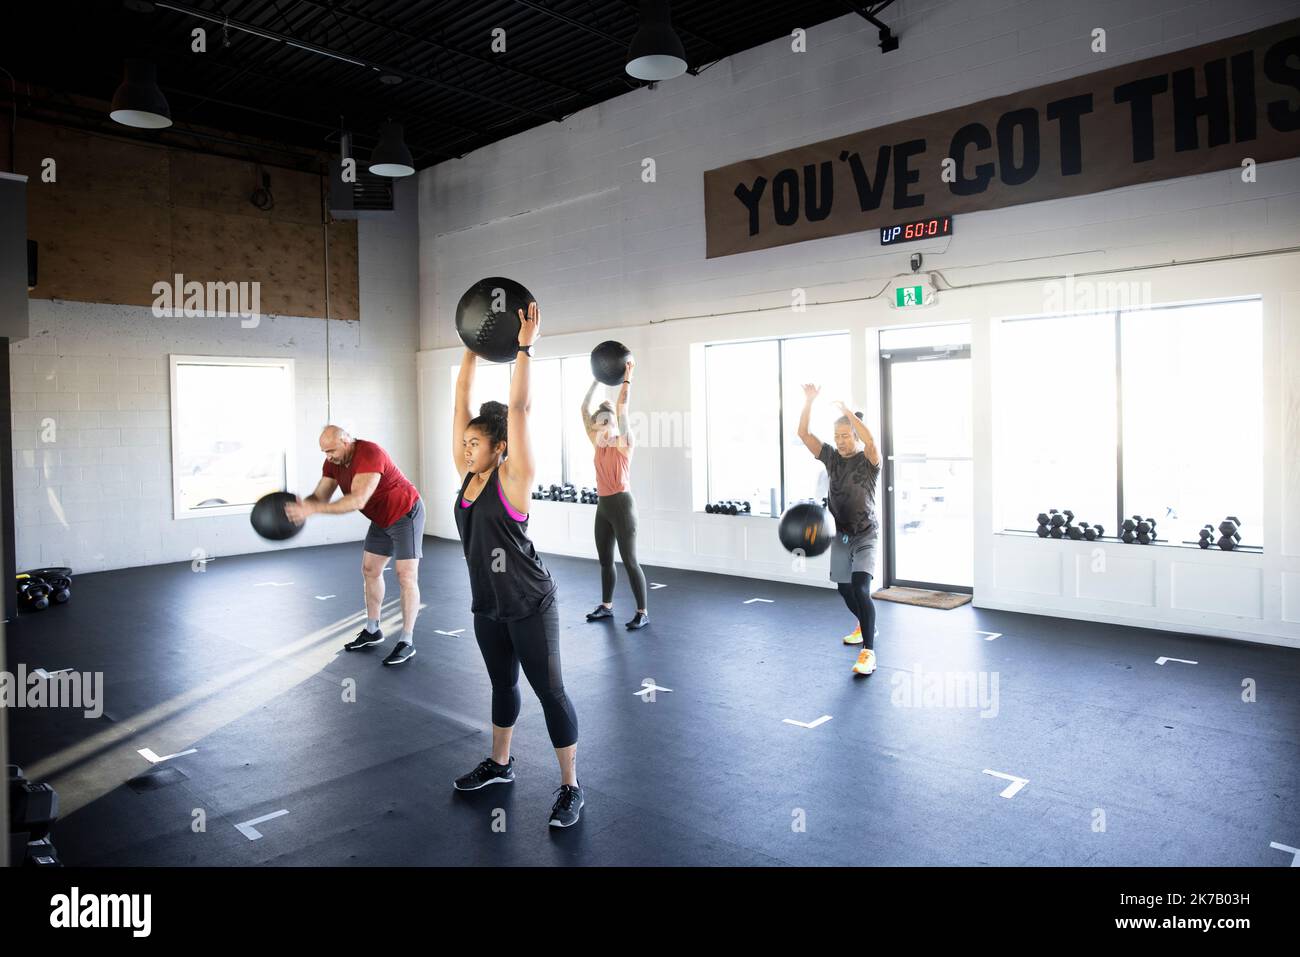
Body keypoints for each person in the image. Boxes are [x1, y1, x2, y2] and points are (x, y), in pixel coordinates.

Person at [450, 302, 584, 828]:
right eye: (464, 443)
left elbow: (521, 410)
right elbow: (461, 399)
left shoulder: (513, 477)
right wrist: (471, 344)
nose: (465, 448)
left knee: (549, 692)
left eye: (474, 443)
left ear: (498, 448)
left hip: (530, 602)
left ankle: (571, 787)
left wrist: (525, 349)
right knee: (502, 686)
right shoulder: (469, 477)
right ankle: (501, 764)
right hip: (489, 606)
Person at [285, 426, 424, 666]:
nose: (328, 456)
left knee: (406, 576)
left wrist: (314, 509)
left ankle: (406, 641)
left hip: (405, 513)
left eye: (331, 450)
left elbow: (357, 500)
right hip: (380, 519)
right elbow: (319, 497)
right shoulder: (333, 462)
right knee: (370, 570)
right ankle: (373, 630)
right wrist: (301, 506)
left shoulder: (370, 453)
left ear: (346, 440)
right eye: (323, 451)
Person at [795, 386, 882, 675]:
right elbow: (804, 435)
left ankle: (868, 652)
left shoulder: (869, 461)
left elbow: (870, 438)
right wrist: (809, 402)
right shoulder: (831, 457)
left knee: (860, 587)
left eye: (845, 436)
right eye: (837, 437)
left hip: (866, 534)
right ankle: (864, 624)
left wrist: (848, 414)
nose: (841, 442)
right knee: (845, 590)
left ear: (855, 436)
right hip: (841, 534)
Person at [580, 360, 649, 630]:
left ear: (613, 424)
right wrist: (597, 378)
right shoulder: (597, 444)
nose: (600, 427)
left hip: (622, 505)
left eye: (606, 423)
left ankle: (642, 612)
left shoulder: (623, 444)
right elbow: (583, 408)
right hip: (603, 507)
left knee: (630, 561)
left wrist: (627, 378)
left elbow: (622, 408)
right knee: (605, 560)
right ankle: (606, 606)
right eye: (598, 424)